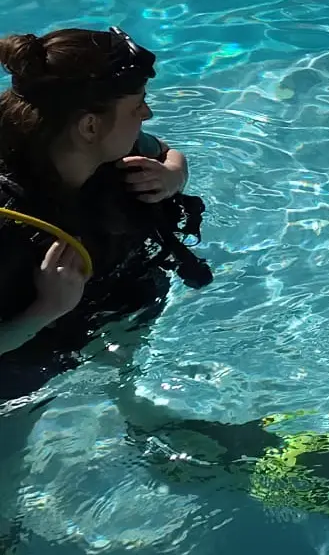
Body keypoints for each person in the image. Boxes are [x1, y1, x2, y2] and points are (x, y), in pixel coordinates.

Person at [0, 26, 212, 388]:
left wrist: (173, 175)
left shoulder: (103, 150)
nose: (147, 113)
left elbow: (167, 151)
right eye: (137, 104)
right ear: (90, 126)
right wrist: (44, 310)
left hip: (110, 306)